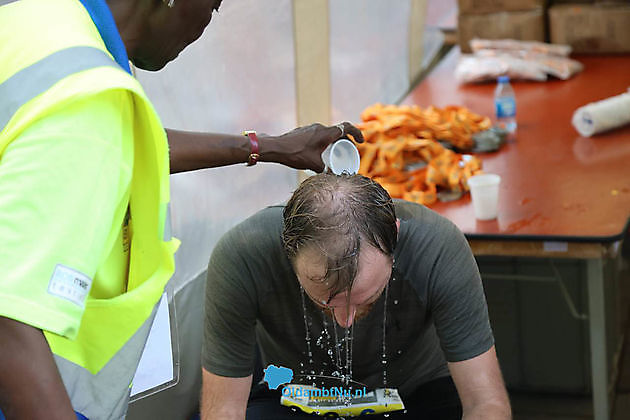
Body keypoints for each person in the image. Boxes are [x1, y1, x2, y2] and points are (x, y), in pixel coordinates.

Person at [0, 0, 363, 419]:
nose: (205, 25)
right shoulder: (90, 101)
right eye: (213, 6)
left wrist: (271, 147)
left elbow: (123, 140)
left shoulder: (41, 24)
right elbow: (11, 316)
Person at [201, 174, 512, 419]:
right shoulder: (243, 255)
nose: (345, 321)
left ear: (396, 235)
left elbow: (486, 404)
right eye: (325, 301)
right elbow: (224, 411)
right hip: (294, 396)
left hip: (415, 395)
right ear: (287, 250)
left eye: (367, 298)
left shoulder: (437, 247)